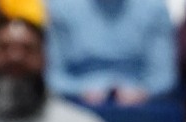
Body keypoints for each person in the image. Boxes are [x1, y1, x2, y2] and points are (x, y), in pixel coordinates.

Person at [43, 0, 178, 107]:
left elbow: (164, 77)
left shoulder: (154, 7)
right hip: (76, 106)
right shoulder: (60, 5)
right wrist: (80, 91)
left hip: (142, 109)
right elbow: (53, 76)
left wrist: (143, 92)